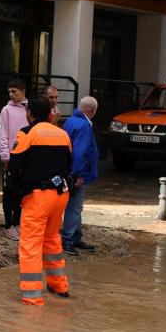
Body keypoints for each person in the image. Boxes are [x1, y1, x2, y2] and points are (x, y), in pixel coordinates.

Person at [8, 97, 73, 305]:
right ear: (50, 114)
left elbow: (14, 166)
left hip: (38, 196)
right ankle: (59, 286)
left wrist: (17, 189)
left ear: (29, 113)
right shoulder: (63, 135)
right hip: (60, 194)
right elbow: (69, 164)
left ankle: (32, 295)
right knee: (52, 239)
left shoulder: (26, 133)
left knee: (30, 244)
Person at [61, 96, 99, 255]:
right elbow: (80, 153)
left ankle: (75, 237)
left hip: (68, 171)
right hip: (77, 173)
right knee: (75, 207)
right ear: (93, 111)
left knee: (75, 206)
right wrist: (79, 174)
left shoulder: (70, 121)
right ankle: (67, 240)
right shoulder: (84, 126)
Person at [0, 77, 28, 241]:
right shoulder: (6, 110)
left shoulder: (29, 109)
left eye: (14, 91)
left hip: (26, 157)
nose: (11, 94)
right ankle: (8, 225)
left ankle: (17, 223)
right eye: (9, 91)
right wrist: (5, 155)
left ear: (23, 91)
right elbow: (3, 134)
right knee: (9, 191)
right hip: (11, 156)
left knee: (22, 192)